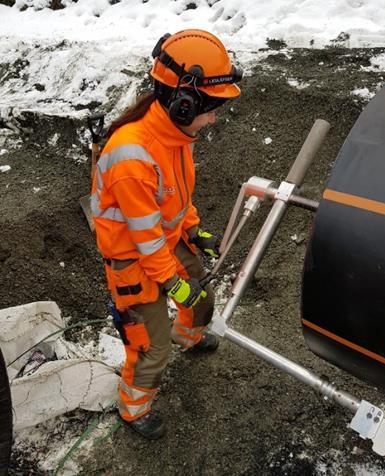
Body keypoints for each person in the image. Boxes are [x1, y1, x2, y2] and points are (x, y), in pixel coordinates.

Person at [91, 29, 242, 439]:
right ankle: (133, 409)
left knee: (203, 297)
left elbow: (174, 196)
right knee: (150, 350)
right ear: (184, 102)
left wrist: (193, 229)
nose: (214, 118)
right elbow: (146, 242)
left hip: (164, 240)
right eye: (211, 108)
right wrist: (175, 286)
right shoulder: (132, 156)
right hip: (134, 260)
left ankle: (188, 336)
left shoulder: (175, 136)